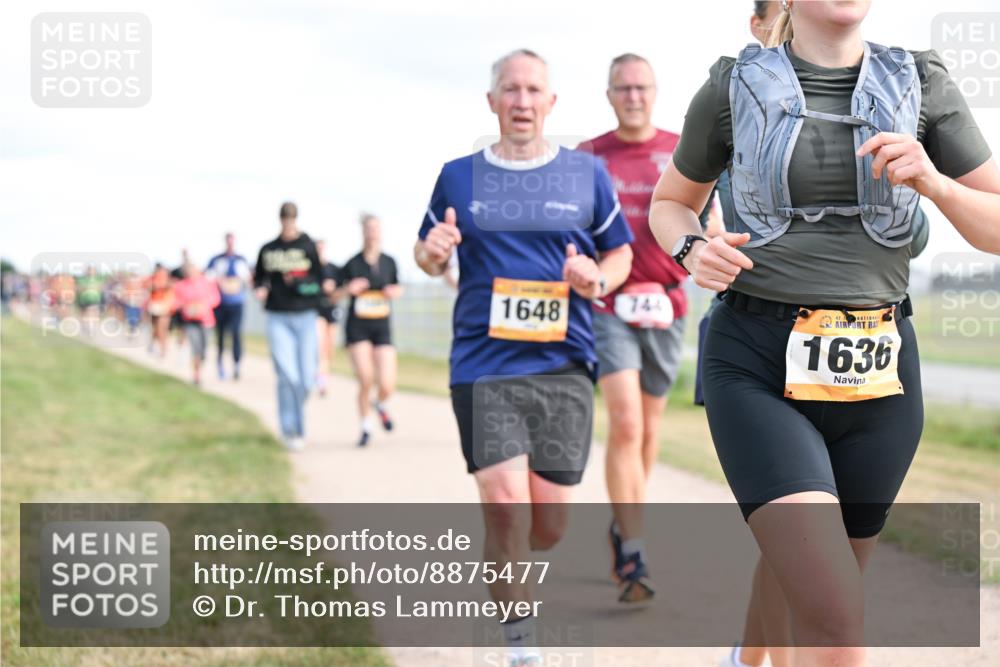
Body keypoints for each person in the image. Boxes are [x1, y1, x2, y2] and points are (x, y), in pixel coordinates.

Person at [650, 1, 999, 665]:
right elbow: (670, 203)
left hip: (882, 376)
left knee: (815, 584)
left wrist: (936, 183)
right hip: (756, 363)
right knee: (836, 615)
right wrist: (693, 248)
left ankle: (745, 657)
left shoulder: (923, 82)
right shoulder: (731, 85)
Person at [415, 49, 634, 667]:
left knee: (550, 524)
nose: (521, 101)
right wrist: (433, 252)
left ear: (551, 102)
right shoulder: (458, 177)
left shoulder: (584, 175)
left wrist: (596, 279)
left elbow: (618, 255)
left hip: (564, 365)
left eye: (533, 90)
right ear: (492, 101)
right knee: (505, 507)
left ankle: (518, 572)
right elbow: (429, 256)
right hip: (483, 366)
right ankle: (521, 649)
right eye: (509, 90)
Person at [586, 53, 712, 603]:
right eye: (623, 88)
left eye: (641, 87)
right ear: (610, 95)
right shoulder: (588, 156)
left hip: (666, 307)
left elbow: (705, 221)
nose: (633, 96)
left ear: (654, 92)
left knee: (649, 432)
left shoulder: (681, 149)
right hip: (609, 308)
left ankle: (622, 521)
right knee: (625, 424)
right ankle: (634, 550)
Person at [253, 202, 333, 451]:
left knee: (306, 379)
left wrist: (304, 282)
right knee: (287, 375)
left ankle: (296, 421)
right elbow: (258, 278)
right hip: (278, 315)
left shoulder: (307, 245)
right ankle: (292, 429)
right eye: (285, 219)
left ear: (296, 219)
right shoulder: (268, 249)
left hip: (305, 315)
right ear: (280, 220)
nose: (289, 223)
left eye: (292, 219)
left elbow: (320, 277)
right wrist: (261, 289)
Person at [337, 214, 401, 446]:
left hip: (382, 326)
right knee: (365, 379)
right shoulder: (352, 264)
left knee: (387, 383)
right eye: (369, 228)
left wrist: (394, 291)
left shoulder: (389, 262)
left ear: (381, 232)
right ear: (363, 232)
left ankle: (380, 403)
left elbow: (398, 287)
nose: (372, 232)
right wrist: (348, 289)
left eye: (376, 228)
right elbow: (334, 295)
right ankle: (365, 427)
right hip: (358, 327)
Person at [206, 232, 252, 380]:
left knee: (236, 334)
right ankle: (220, 363)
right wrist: (220, 281)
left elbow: (248, 278)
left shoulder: (241, 260)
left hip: (236, 303)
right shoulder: (216, 260)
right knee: (220, 335)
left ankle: (236, 365)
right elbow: (208, 277)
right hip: (220, 303)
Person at [173, 263, 221, 386]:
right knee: (196, 348)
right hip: (190, 322)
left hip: (206, 321)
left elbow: (215, 298)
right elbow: (176, 301)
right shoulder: (181, 285)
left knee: (204, 349)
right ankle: (196, 375)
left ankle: (200, 365)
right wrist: (186, 307)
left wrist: (204, 306)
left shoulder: (207, 283)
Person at [314, 239, 342, 397]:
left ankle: (323, 374)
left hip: (332, 310)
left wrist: (334, 289)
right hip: (317, 311)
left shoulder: (334, 269)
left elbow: (342, 288)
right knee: (320, 345)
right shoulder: (311, 270)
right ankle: (322, 380)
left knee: (330, 347)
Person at [146, 263, 174, 357]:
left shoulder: (169, 280)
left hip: (165, 307)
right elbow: (149, 287)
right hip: (155, 306)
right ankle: (154, 343)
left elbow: (171, 287)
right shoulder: (152, 278)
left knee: (162, 328)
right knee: (156, 328)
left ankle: (163, 349)